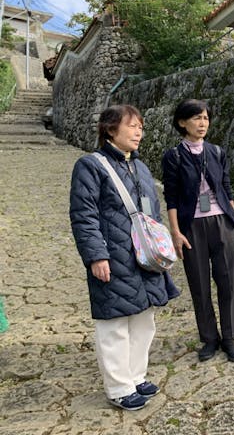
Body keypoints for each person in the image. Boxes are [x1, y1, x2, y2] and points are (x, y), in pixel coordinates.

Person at [69, 104, 180, 411]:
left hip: (145, 257)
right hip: (114, 256)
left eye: (141, 127)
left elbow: (153, 213)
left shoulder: (140, 167)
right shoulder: (90, 166)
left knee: (145, 318)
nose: (138, 132)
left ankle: (135, 375)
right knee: (114, 322)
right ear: (110, 129)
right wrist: (96, 256)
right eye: (132, 126)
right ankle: (119, 387)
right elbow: (84, 216)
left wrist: (161, 249)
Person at [161, 99, 234, 362]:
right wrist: (176, 232)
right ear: (182, 122)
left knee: (228, 281)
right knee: (199, 284)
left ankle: (229, 337)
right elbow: (171, 197)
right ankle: (209, 338)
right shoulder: (173, 156)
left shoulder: (217, 152)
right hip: (192, 226)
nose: (202, 123)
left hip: (222, 222)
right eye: (196, 118)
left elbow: (227, 188)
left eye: (206, 118)